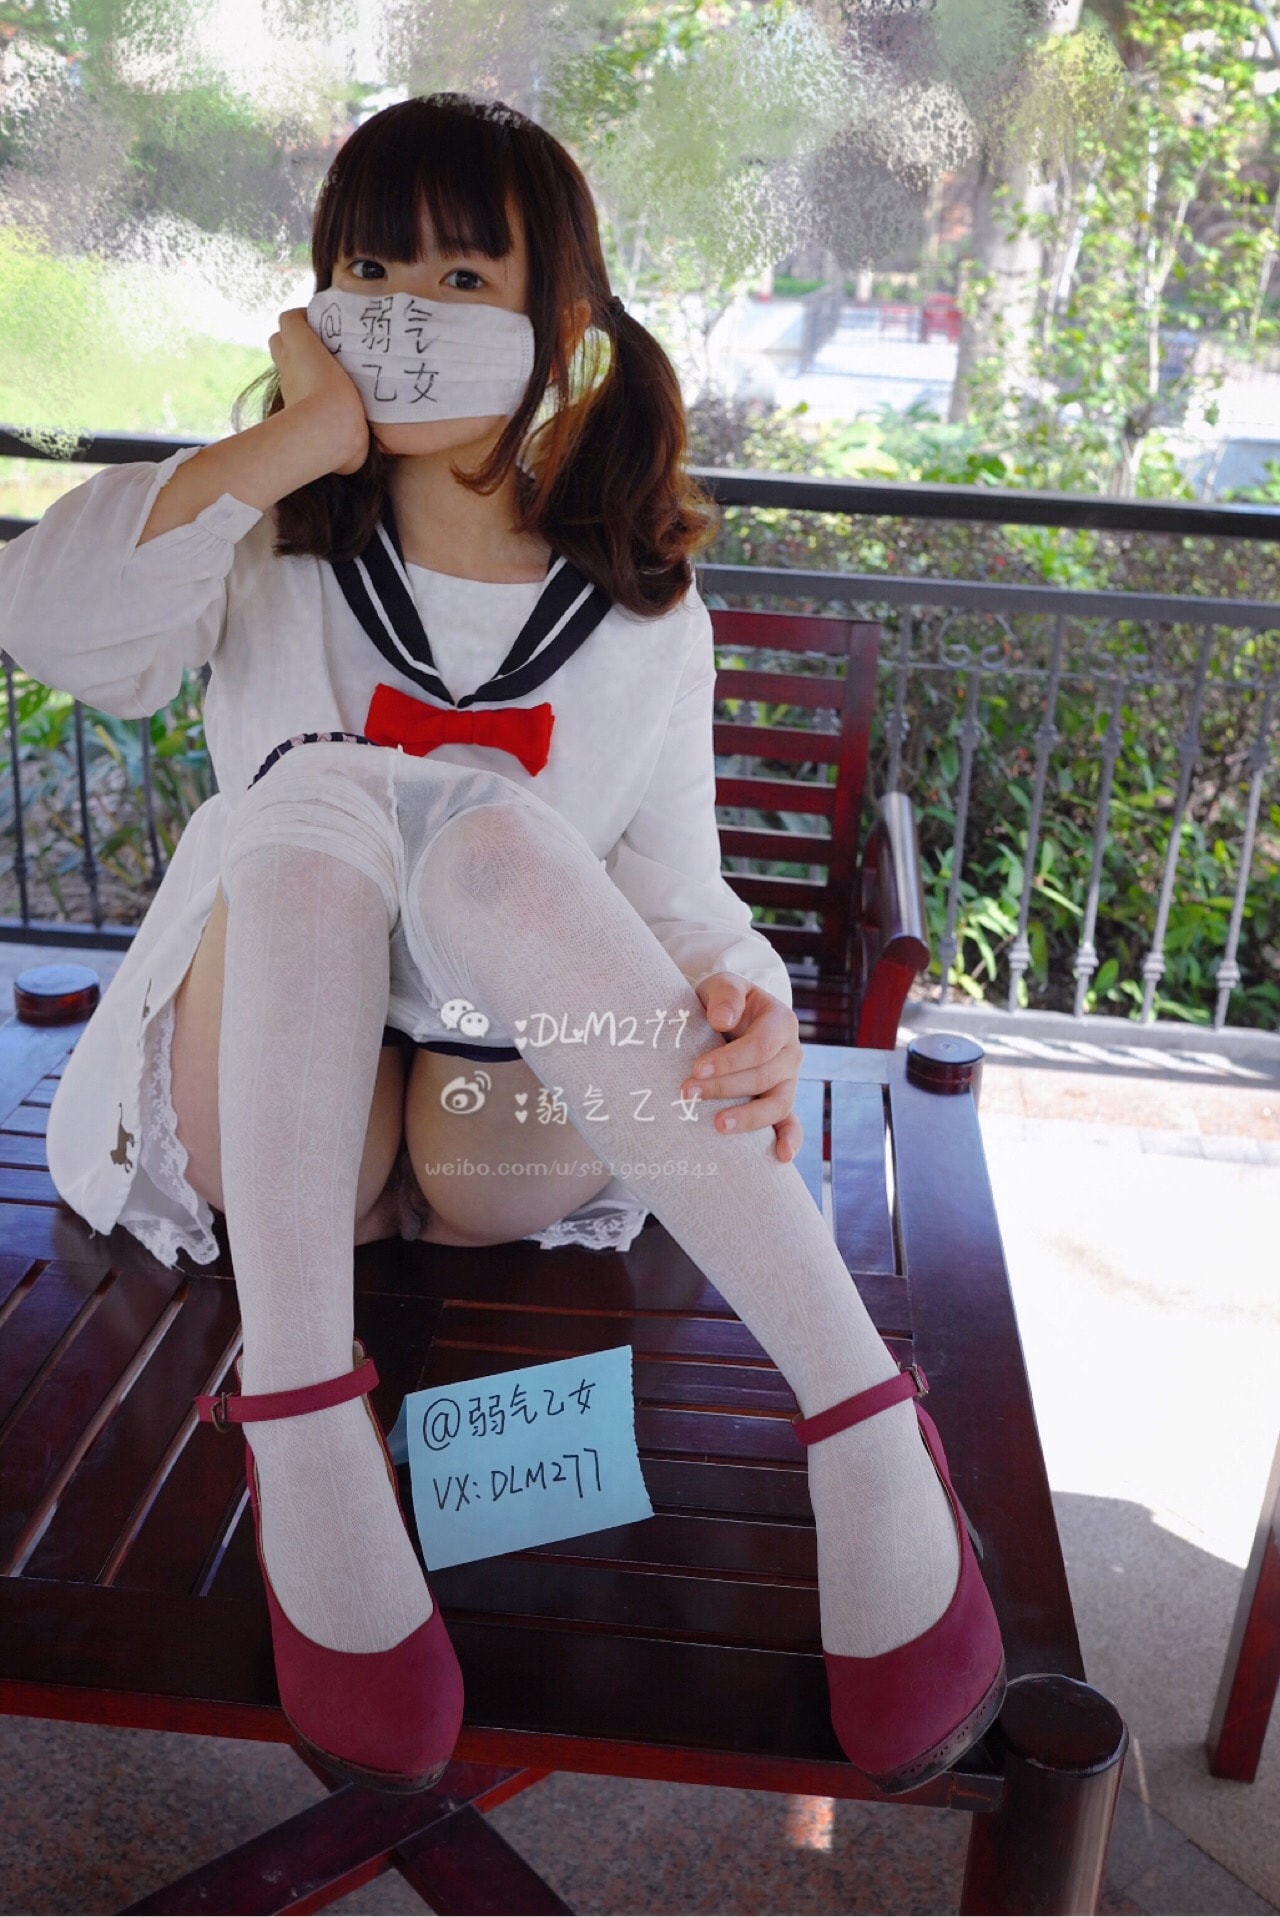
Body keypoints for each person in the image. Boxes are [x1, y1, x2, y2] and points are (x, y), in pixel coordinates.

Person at [0, 92, 1003, 1797]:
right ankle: (303, 1419)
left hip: (492, 1123)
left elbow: (679, 894)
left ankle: (857, 1410)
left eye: (464, 275)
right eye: (371, 269)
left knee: (487, 838)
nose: (407, 309)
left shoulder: (639, 609)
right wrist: (291, 447)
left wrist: (745, 995)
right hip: (281, 1127)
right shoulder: (263, 544)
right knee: (314, 799)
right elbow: (41, 618)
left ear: (560, 319)